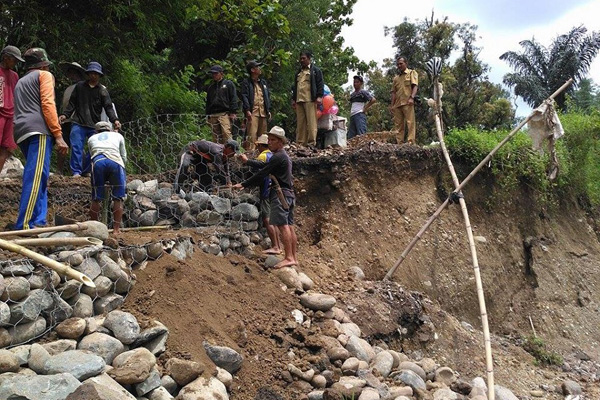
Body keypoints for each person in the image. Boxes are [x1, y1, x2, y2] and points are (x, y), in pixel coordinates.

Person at [13, 48, 68, 230]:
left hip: (21, 131)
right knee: (35, 178)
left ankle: (40, 221)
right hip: (39, 131)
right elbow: (47, 103)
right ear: (44, 64)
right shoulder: (44, 75)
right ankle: (25, 225)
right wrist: (58, 134)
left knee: (40, 176)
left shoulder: (21, 81)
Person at [233, 126, 297, 269]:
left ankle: (289, 257)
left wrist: (244, 184)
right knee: (290, 226)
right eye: (269, 140)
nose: (269, 142)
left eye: (273, 140)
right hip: (288, 194)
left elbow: (263, 172)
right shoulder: (283, 156)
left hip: (280, 194)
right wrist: (248, 161)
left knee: (283, 225)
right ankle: (293, 257)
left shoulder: (278, 156)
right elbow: (265, 166)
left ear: (281, 142)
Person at [59, 61, 121, 177]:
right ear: (88, 74)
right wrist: (65, 115)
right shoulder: (79, 87)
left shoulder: (102, 90)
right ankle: (76, 171)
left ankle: (86, 170)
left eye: (96, 74)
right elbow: (72, 103)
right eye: (91, 73)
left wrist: (115, 120)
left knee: (95, 148)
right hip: (78, 122)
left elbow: (108, 107)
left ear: (99, 75)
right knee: (76, 147)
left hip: (94, 124)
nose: (93, 76)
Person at [238, 134, 280, 254]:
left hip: (266, 189)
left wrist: (245, 184)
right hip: (274, 190)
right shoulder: (273, 155)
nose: (257, 148)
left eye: (258, 146)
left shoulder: (263, 156)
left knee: (267, 219)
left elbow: (260, 174)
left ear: (262, 146)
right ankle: (277, 245)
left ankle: (276, 246)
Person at [88, 121, 127, 234]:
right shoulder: (118, 135)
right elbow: (123, 155)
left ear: (96, 131)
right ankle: (116, 230)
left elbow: (92, 155)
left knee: (96, 198)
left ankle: (94, 229)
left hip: (98, 162)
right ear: (109, 129)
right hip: (115, 162)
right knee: (118, 198)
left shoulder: (92, 138)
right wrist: (122, 170)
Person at [174, 139, 239, 193]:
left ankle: (206, 194)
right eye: (234, 152)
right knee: (184, 167)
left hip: (200, 158)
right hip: (190, 151)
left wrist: (229, 182)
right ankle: (176, 191)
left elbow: (226, 170)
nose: (234, 154)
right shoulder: (217, 152)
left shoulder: (224, 155)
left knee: (205, 175)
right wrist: (227, 182)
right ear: (229, 148)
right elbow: (219, 170)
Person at [57, 62, 87, 175]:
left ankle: (81, 170)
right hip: (66, 120)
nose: (70, 74)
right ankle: (59, 170)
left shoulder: (83, 87)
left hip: (77, 120)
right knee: (63, 144)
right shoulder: (68, 89)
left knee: (77, 145)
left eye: (71, 72)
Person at [291, 51, 324, 147]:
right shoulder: (298, 72)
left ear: (309, 59)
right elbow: (295, 87)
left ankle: (311, 143)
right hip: (299, 100)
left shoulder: (315, 71)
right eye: (300, 58)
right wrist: (293, 99)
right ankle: (301, 143)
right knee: (300, 123)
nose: (301, 60)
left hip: (310, 99)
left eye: (304, 58)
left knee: (311, 122)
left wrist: (319, 96)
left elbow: (320, 84)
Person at [0, 45, 24, 176]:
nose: (15, 63)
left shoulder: (14, 76)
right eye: (13, 60)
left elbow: (16, 95)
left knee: (7, 147)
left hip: (11, 114)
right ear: (5, 57)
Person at [241, 60, 271, 152]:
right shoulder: (246, 82)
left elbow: (267, 97)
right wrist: (247, 110)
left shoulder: (263, 83)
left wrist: (268, 110)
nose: (259, 68)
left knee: (263, 135)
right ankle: (250, 152)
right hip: (253, 112)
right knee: (252, 134)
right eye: (257, 67)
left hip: (263, 112)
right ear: (252, 70)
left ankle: (263, 153)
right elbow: (244, 96)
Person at [205, 65, 238, 144]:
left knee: (226, 133)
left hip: (224, 113)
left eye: (216, 73)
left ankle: (230, 153)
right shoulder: (211, 87)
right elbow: (208, 102)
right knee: (216, 136)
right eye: (213, 74)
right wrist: (207, 114)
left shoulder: (228, 84)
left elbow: (233, 97)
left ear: (221, 74)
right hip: (213, 114)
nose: (214, 75)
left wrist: (233, 112)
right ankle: (217, 153)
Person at [390, 56, 418, 144]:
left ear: (406, 63)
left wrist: (412, 98)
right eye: (398, 64)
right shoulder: (396, 78)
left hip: (407, 102)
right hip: (397, 104)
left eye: (401, 63)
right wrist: (392, 105)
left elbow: (415, 86)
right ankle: (400, 143)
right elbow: (394, 92)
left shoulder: (411, 73)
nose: (399, 65)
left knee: (410, 123)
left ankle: (410, 142)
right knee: (398, 125)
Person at [348, 75, 376, 139]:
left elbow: (373, 100)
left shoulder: (363, 92)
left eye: (357, 82)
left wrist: (365, 108)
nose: (355, 84)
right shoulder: (352, 94)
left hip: (359, 114)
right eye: (354, 82)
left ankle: (363, 148)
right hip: (352, 115)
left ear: (361, 83)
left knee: (361, 133)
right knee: (351, 136)